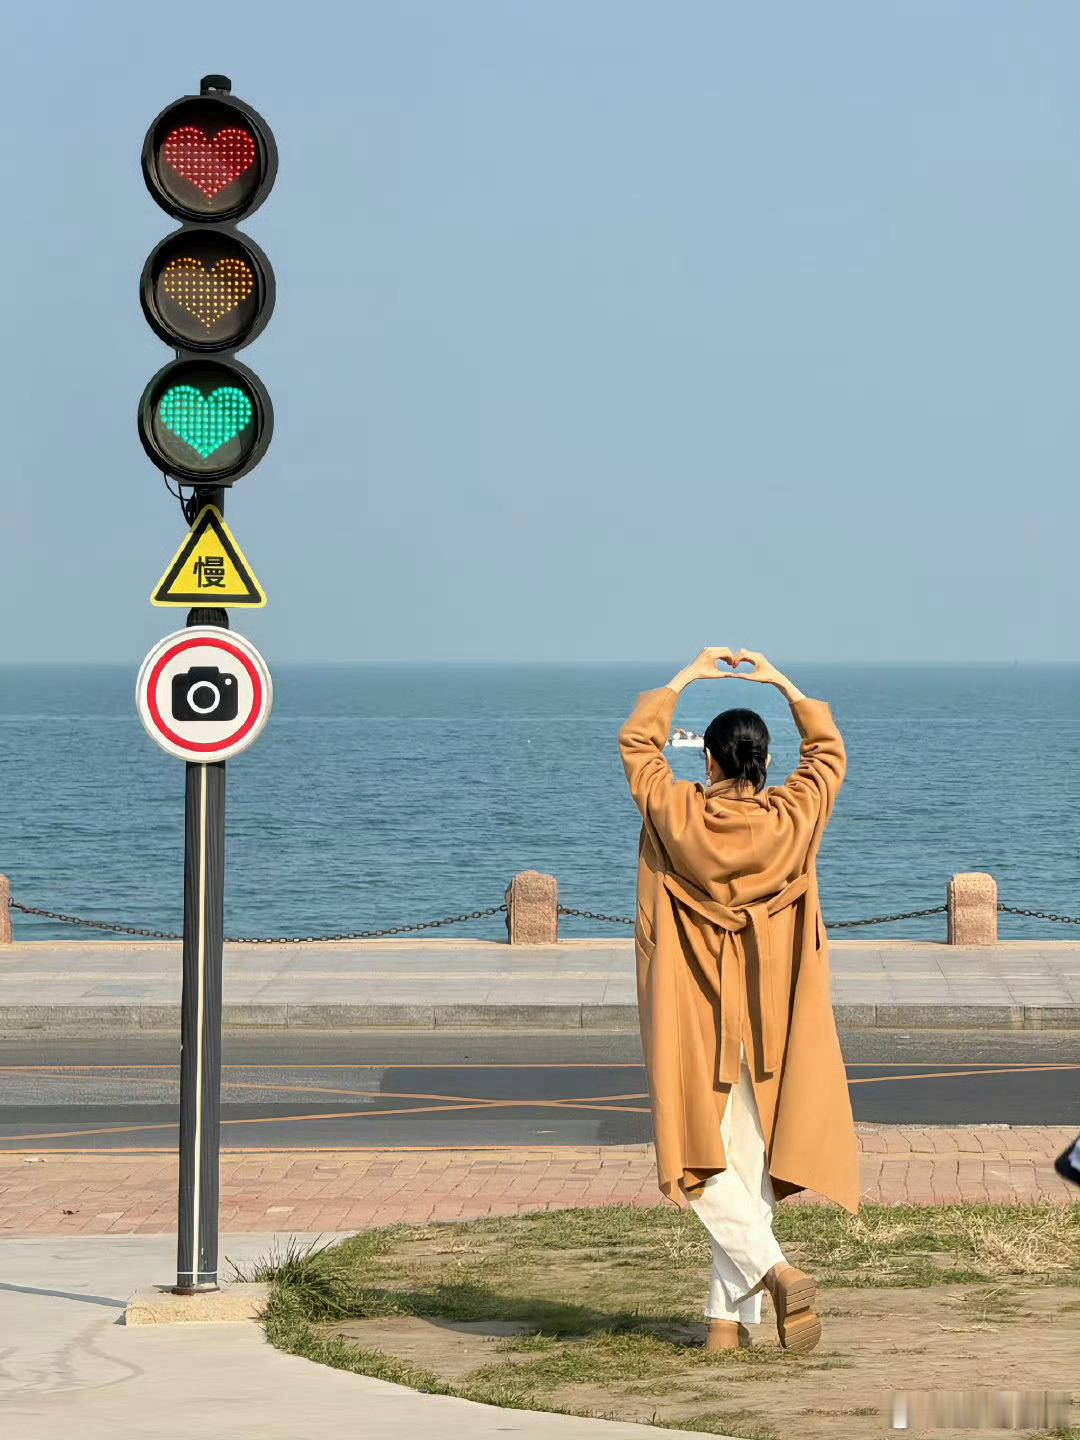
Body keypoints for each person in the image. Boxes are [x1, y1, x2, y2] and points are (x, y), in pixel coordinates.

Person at [619, 647, 859, 1355]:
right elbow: (829, 752)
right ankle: (725, 1326)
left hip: (696, 1015)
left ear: (712, 763)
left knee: (700, 1169)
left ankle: (774, 1274)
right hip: (771, 1021)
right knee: (745, 1168)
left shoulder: (680, 814)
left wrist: (688, 675)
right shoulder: (793, 818)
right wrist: (784, 682)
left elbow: (637, 744)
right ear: (762, 761)